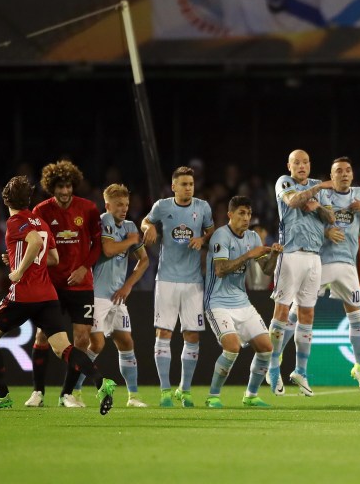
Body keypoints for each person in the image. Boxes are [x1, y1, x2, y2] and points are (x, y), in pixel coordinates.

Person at [0, 176, 116, 415]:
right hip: (48, 295)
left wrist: (19, 270)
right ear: (29, 198)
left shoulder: (15, 221)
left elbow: (32, 242)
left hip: (23, 295)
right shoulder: (41, 222)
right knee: (63, 348)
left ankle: (2, 395)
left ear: (5, 199)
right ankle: (101, 381)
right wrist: (15, 258)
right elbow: (52, 258)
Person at [279, 157, 360, 395]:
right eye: (338, 171)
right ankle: (276, 357)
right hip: (320, 262)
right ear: (331, 175)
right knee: (296, 312)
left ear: (352, 175)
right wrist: (326, 229)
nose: (344, 174)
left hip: (348, 265)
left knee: (357, 318)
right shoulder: (323, 192)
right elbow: (308, 215)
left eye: (348, 170)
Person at [26, 160, 102, 409]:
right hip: (51, 286)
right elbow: (32, 244)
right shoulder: (41, 211)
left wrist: (84, 268)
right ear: (51, 187)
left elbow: (98, 244)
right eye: (60, 187)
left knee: (81, 340)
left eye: (68, 186)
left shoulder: (88, 209)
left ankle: (67, 394)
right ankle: (37, 392)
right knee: (42, 336)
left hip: (81, 285)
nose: (65, 191)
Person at [141, 166, 214, 407]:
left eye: (191, 184)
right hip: (167, 279)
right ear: (174, 186)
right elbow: (145, 221)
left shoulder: (202, 207)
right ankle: (164, 390)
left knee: (192, 335)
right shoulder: (162, 206)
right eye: (183, 184)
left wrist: (202, 239)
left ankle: (185, 389)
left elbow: (211, 231)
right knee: (163, 333)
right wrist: (149, 227)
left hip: (193, 280)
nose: (188, 188)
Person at [265, 149, 335, 397]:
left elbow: (331, 217)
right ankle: (273, 367)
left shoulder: (318, 187)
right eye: (297, 162)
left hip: (314, 256)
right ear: (289, 165)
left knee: (307, 314)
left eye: (305, 162)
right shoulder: (284, 182)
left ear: (310, 164)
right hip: (290, 253)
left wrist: (316, 207)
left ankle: (300, 372)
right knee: (282, 312)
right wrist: (314, 192)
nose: (301, 166)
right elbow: (292, 202)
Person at [202, 195, 282, 408]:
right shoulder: (220, 236)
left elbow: (266, 270)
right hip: (217, 302)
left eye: (249, 214)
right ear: (230, 215)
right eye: (241, 213)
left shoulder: (253, 237)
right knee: (232, 347)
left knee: (266, 347)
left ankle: (251, 395)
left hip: (242, 302)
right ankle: (213, 396)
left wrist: (273, 255)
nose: (246, 218)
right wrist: (248, 255)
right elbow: (220, 270)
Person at [90, 183, 150, 408]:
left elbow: (144, 260)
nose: (123, 209)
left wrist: (128, 286)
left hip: (117, 296)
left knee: (126, 342)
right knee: (95, 345)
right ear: (108, 205)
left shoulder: (130, 225)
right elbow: (108, 250)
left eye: (126, 204)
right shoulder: (104, 220)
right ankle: (72, 392)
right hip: (98, 295)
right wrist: (131, 241)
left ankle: (133, 396)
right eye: (118, 205)